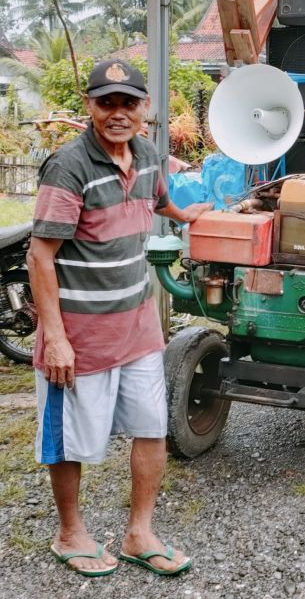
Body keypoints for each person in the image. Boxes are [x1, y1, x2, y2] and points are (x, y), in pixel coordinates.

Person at [27, 59, 212, 577]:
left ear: (143, 109)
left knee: (151, 428)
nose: (117, 113)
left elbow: (159, 200)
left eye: (127, 103)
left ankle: (139, 532)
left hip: (138, 326)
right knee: (70, 438)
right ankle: (69, 533)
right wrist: (56, 339)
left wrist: (185, 214)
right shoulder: (69, 167)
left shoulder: (149, 154)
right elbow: (40, 257)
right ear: (89, 106)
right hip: (80, 335)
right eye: (106, 102)